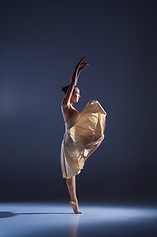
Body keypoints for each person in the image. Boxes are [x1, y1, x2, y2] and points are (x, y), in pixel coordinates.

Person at [61, 57, 107, 214]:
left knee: (100, 138)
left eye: (79, 93)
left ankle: (84, 157)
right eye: (77, 93)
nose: (79, 95)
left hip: (77, 141)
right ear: (70, 93)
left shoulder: (73, 109)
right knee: (70, 176)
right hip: (69, 144)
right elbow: (72, 84)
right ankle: (74, 201)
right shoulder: (65, 106)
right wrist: (77, 70)